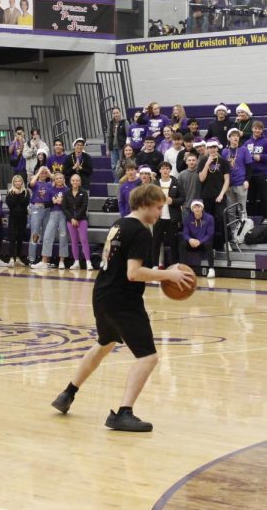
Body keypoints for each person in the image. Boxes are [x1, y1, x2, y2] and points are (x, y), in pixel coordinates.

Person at [51, 184, 195, 432]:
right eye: (159, 208)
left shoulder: (119, 224)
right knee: (148, 357)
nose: (160, 213)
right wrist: (168, 276)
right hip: (122, 299)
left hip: (102, 293)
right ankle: (123, 413)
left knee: (105, 343)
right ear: (146, 204)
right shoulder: (141, 231)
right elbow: (134, 273)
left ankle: (67, 393)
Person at [63, 173, 94, 271]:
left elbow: (84, 207)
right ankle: (76, 262)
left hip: (81, 219)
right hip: (70, 220)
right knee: (74, 241)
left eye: (77, 180)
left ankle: (88, 262)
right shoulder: (66, 193)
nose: (75, 182)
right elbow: (65, 208)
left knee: (84, 239)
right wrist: (72, 218)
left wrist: (76, 218)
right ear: (70, 182)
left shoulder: (84, 192)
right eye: (73, 180)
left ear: (80, 182)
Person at [245, 121, 267, 218]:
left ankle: (266, 218)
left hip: (263, 174)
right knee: (250, 199)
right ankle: (251, 219)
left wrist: (261, 157)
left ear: (262, 130)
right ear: (252, 129)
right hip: (250, 175)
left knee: (264, 198)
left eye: (259, 129)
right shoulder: (247, 143)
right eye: (255, 128)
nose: (257, 130)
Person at [5, 173, 30, 266]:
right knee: (12, 238)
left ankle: (18, 258)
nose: (18, 183)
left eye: (19, 181)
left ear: (22, 182)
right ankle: (11, 258)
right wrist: (16, 195)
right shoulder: (10, 192)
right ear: (13, 182)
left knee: (20, 238)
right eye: (16, 181)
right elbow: (11, 204)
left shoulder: (26, 192)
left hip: (23, 217)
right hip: (13, 218)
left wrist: (19, 194)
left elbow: (25, 203)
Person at [106, 109, 128, 173]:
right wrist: (107, 149)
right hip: (113, 148)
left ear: (120, 113)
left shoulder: (125, 122)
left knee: (122, 164)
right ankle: (116, 181)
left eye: (117, 113)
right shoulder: (110, 123)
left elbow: (128, 135)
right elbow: (108, 136)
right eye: (114, 113)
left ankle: (122, 181)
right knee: (114, 166)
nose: (115, 114)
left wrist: (127, 147)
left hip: (122, 147)